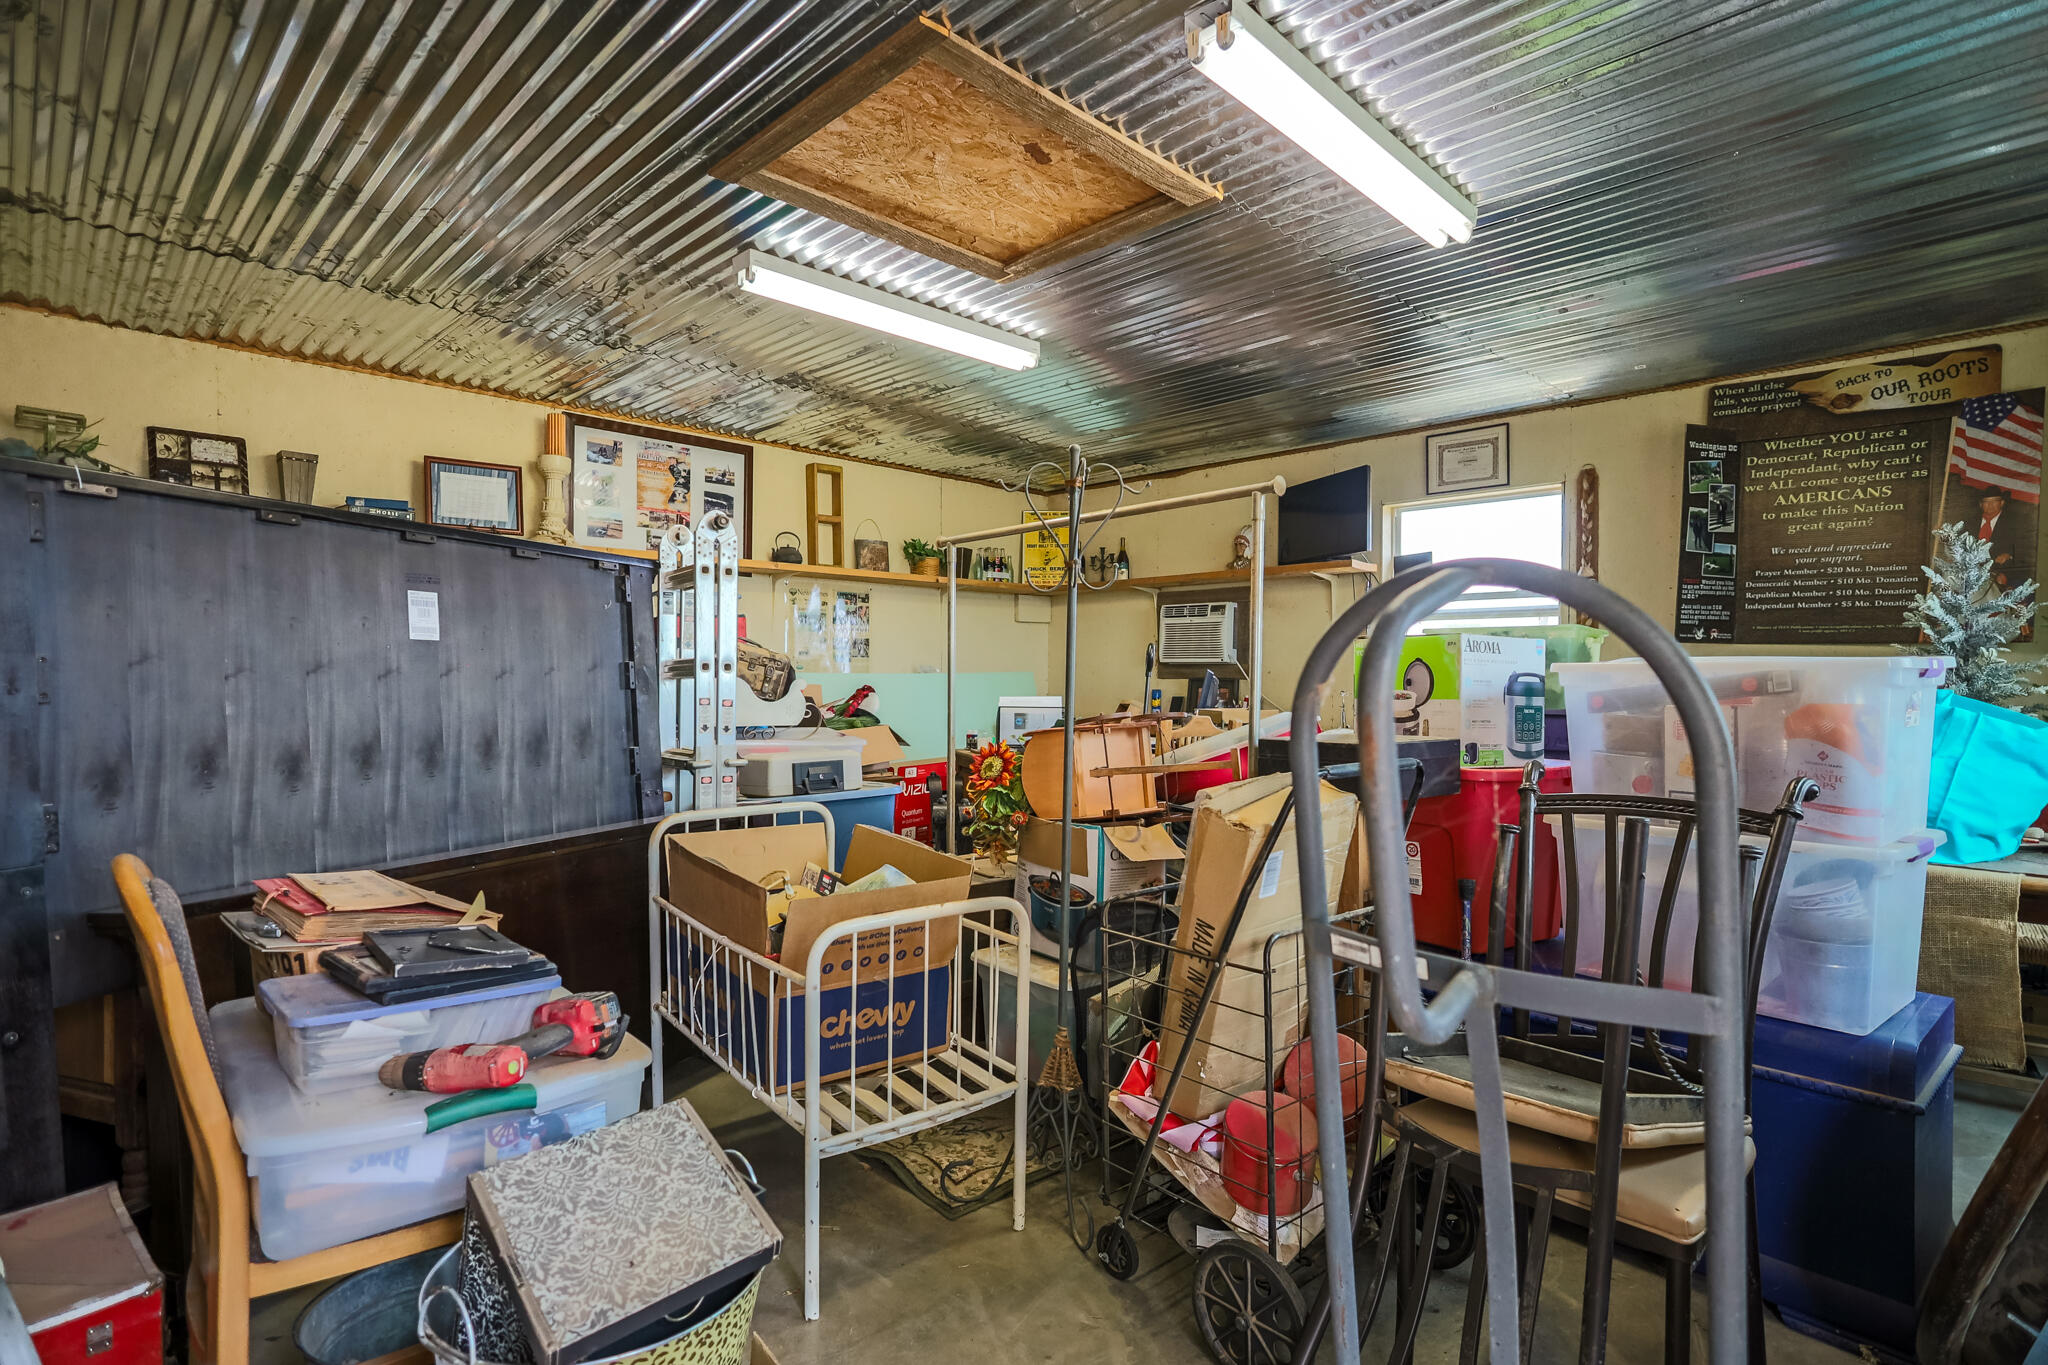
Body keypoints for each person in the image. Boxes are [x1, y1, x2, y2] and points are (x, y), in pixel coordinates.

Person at [1975, 487, 2024, 588]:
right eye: (1986, 502)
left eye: (1995, 501)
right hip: (1972, 572)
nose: (1990, 505)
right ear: (1981, 504)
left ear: (2002, 503)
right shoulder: (1969, 523)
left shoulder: (2016, 523)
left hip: (2003, 572)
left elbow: (2026, 552)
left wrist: (2009, 555)